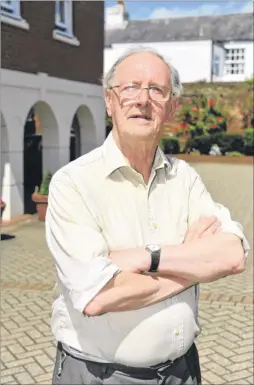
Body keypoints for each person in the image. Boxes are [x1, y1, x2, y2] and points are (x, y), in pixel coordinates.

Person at [46, 47, 249, 385]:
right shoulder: (73, 183)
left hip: (181, 373)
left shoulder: (184, 178)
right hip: (99, 376)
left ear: (171, 108)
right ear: (110, 101)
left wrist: (146, 258)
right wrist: (192, 268)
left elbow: (233, 254)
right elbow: (98, 296)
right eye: (130, 87)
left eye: (157, 90)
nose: (142, 99)